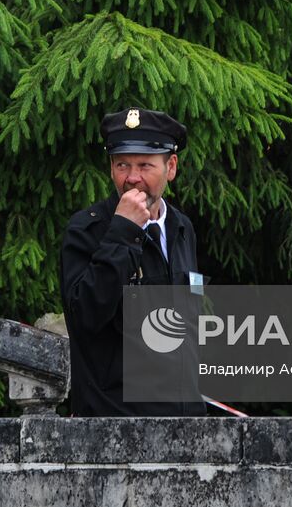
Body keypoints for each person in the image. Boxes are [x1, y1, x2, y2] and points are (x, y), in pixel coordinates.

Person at [59, 107, 205, 416]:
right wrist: (122, 233)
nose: (132, 178)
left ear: (171, 167)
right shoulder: (88, 230)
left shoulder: (181, 228)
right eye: (122, 164)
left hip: (185, 425)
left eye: (145, 165)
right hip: (115, 427)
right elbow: (84, 318)